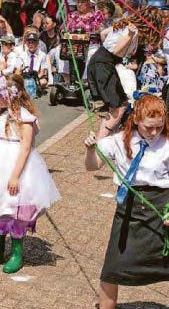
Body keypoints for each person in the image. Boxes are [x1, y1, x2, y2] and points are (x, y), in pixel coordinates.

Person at [0, 73, 60, 273]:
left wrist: (16, 175)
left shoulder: (24, 117)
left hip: (16, 166)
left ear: (13, 94)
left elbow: (25, 147)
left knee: (14, 208)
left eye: (0, 93)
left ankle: (16, 252)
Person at [83, 94, 169, 309]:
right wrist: (90, 149)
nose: (154, 132)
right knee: (113, 266)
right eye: (149, 127)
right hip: (128, 208)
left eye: (159, 127)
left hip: (161, 207)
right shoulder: (119, 141)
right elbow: (92, 167)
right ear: (137, 119)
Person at [88, 19, 139, 139]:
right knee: (119, 106)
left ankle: (108, 137)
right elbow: (116, 51)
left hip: (99, 60)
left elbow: (103, 33)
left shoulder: (121, 25)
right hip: (103, 65)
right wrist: (130, 35)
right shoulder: (133, 30)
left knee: (116, 105)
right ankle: (101, 141)